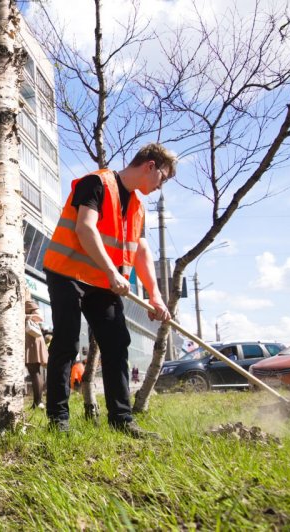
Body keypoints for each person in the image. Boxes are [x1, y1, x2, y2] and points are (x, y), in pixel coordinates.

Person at [42, 143, 175, 438]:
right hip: (67, 271)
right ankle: (58, 422)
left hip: (102, 280)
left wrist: (155, 294)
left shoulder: (138, 208)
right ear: (149, 166)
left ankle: (121, 419)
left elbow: (141, 251)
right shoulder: (96, 183)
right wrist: (112, 272)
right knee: (66, 341)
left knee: (117, 342)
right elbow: (85, 228)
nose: (160, 186)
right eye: (162, 178)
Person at [25, 289, 48, 409]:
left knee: (34, 370)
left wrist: (24, 316)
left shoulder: (27, 301)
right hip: (30, 340)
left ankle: (38, 402)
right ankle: (38, 402)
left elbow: (40, 317)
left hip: (32, 340)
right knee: (34, 371)